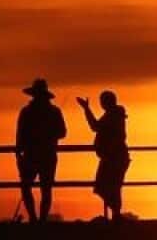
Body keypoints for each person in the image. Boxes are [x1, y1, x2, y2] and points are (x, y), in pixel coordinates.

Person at [15, 78, 67, 222]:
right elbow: (62, 132)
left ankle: (34, 217)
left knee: (27, 187)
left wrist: (18, 153)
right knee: (45, 188)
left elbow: (20, 134)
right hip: (47, 155)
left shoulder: (26, 112)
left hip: (31, 155)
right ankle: (40, 219)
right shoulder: (54, 111)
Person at [77, 90, 130, 221]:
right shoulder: (114, 114)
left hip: (113, 158)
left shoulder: (113, 115)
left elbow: (95, 127)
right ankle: (116, 214)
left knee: (107, 186)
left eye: (103, 101)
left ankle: (116, 214)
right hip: (113, 157)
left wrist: (86, 109)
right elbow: (97, 127)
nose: (102, 104)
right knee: (111, 186)